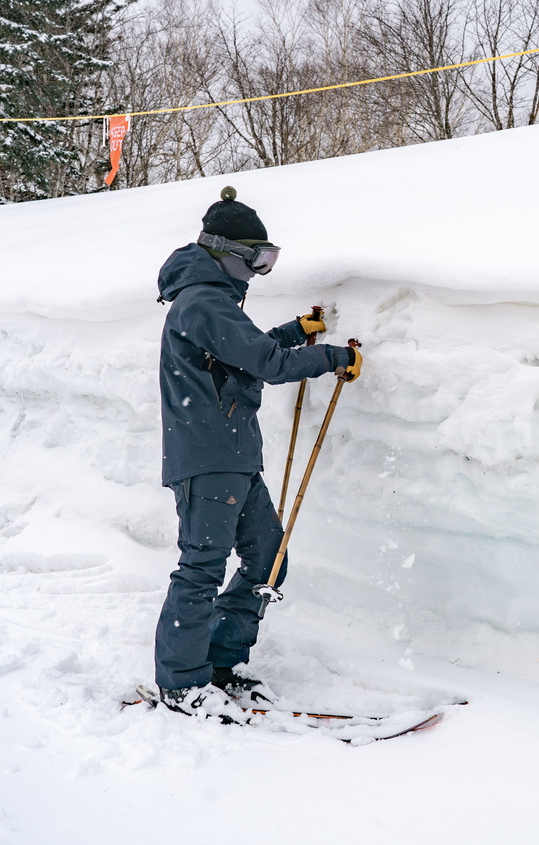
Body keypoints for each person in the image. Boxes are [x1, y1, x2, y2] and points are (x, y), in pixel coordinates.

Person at [153, 186, 361, 718]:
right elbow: (265, 363)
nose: (259, 271)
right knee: (202, 567)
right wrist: (332, 356)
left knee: (268, 560)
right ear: (227, 253)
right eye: (258, 260)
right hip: (209, 458)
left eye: (269, 261)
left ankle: (220, 665)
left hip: (235, 457)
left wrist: (295, 332)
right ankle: (182, 683)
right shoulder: (202, 301)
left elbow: (242, 355)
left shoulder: (214, 304)